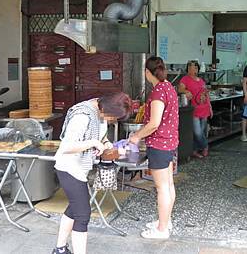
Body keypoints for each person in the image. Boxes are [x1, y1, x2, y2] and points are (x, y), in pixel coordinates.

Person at [53, 93, 132, 254]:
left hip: (79, 168)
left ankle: (60, 249)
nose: (112, 121)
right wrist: (93, 143)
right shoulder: (83, 115)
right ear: (108, 109)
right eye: (113, 118)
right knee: (82, 215)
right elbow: (67, 146)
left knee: (75, 208)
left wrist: (105, 143)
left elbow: (100, 135)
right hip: (68, 166)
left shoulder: (100, 109)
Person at [129, 56, 178, 240]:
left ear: (148, 73)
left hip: (159, 144)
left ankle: (162, 229)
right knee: (168, 184)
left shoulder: (158, 92)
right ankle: (166, 221)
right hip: (169, 142)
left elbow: (154, 123)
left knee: (162, 187)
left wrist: (136, 136)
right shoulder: (169, 87)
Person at [178, 60, 213, 159]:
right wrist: (186, 91)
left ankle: (194, 150)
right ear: (187, 69)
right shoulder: (185, 79)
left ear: (197, 69)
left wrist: (210, 107)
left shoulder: (201, 81)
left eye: (195, 67)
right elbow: (180, 89)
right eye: (190, 67)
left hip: (204, 108)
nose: (193, 69)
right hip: (194, 110)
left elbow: (206, 93)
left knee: (200, 132)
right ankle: (205, 146)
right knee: (197, 132)